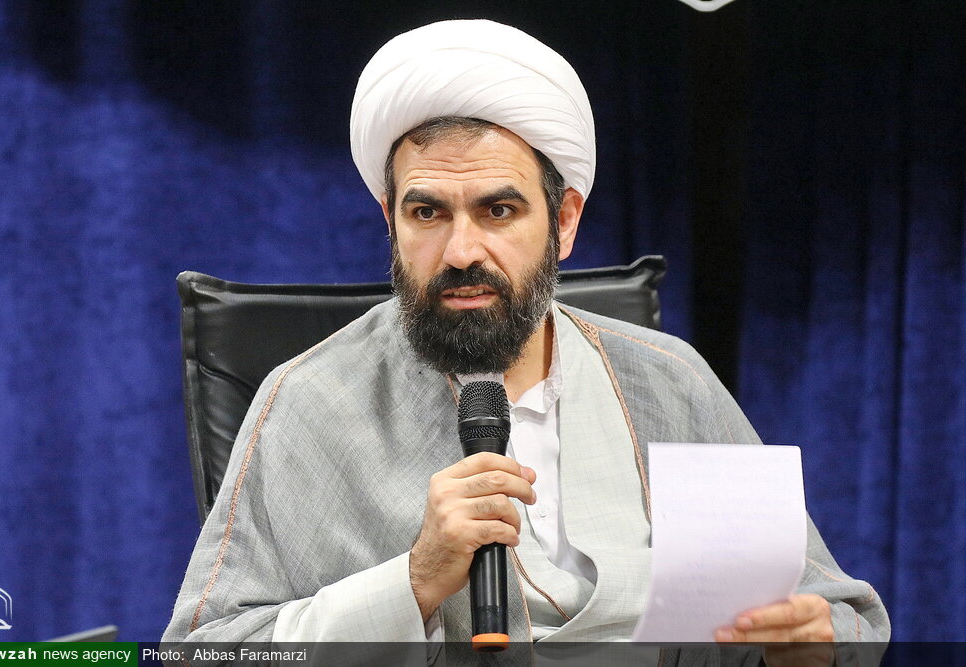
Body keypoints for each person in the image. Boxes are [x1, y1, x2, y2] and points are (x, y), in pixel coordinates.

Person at [163, 19, 889, 663]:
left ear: (564, 221)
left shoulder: (670, 381)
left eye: (499, 210)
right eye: (427, 212)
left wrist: (811, 645)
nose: (461, 251)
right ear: (390, 220)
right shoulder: (308, 403)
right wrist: (414, 580)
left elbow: (838, 613)